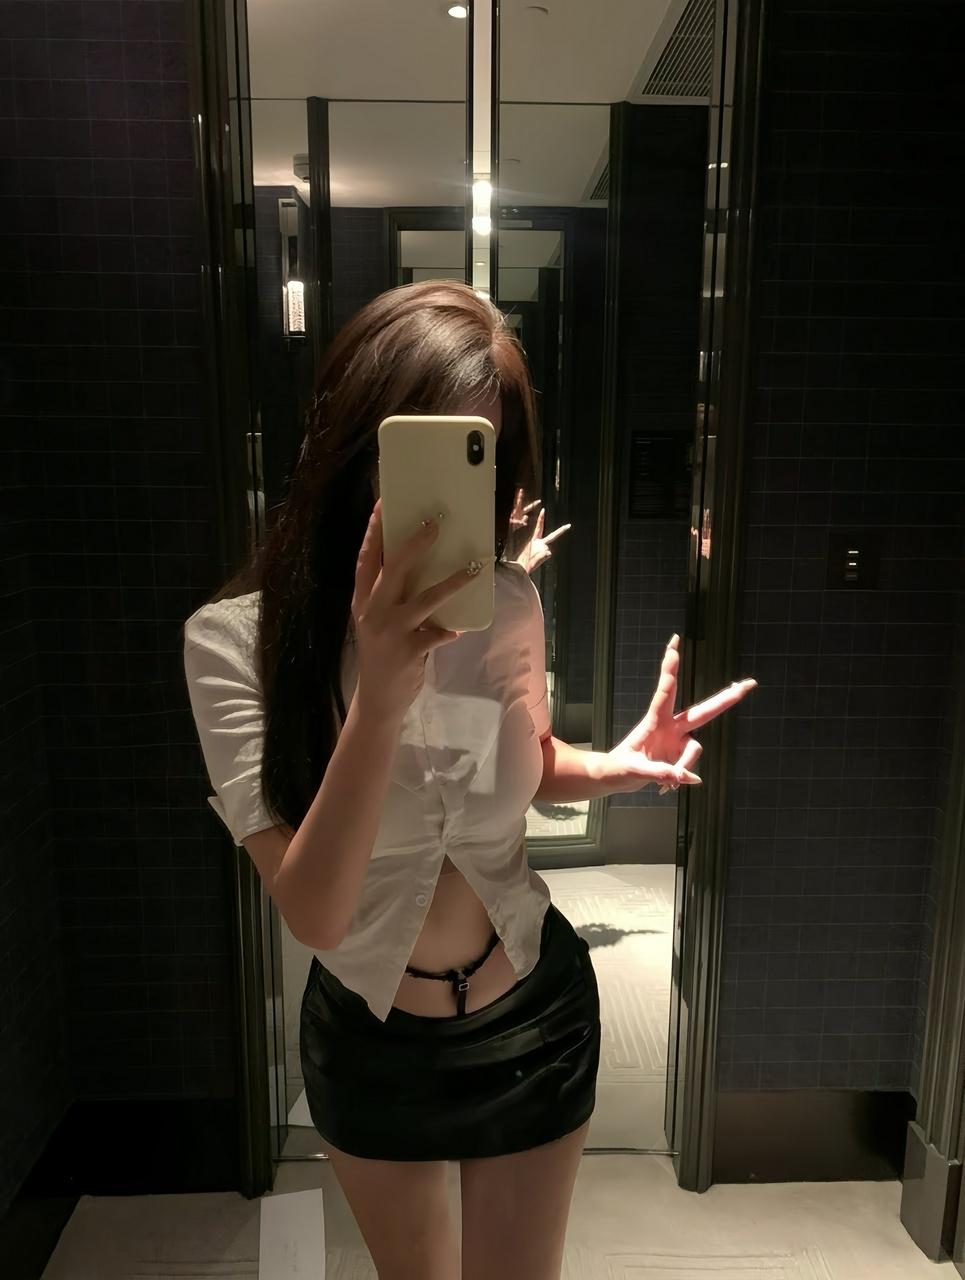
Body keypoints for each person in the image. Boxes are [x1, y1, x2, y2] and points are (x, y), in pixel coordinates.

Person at [181, 281, 757, 1280]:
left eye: (479, 455)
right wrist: (380, 693)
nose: (449, 497)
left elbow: (523, 769)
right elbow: (314, 911)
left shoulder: (508, 605)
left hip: (536, 1011)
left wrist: (611, 765)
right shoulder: (235, 646)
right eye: (421, 451)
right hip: (372, 1041)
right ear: (349, 447)